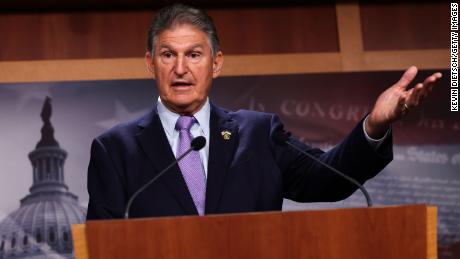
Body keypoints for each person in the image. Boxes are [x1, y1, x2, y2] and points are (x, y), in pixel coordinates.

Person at [86, 4, 442, 220]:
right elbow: (104, 245)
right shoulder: (114, 149)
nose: (181, 68)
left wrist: (375, 125)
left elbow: (331, 180)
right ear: (150, 63)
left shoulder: (257, 134)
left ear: (216, 63)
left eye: (194, 54)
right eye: (168, 55)